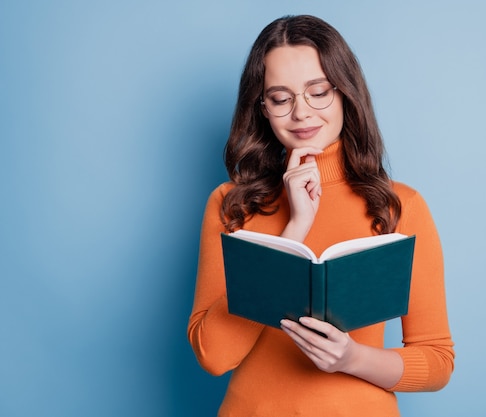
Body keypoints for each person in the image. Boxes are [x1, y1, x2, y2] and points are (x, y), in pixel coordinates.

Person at [188, 14, 454, 416]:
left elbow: (436, 361)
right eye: (281, 98)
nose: (301, 113)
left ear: (345, 92)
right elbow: (213, 355)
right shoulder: (231, 205)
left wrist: (351, 359)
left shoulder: (401, 207)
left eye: (318, 92)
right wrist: (292, 233)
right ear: (261, 107)